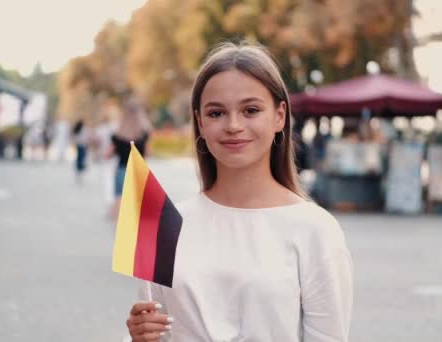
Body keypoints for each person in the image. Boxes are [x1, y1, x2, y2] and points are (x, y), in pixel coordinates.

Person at [125, 42, 353, 342]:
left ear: (279, 116)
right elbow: (159, 332)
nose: (233, 125)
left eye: (250, 110)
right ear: (200, 122)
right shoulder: (164, 225)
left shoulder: (317, 230)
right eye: (217, 113)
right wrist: (140, 338)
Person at [107, 97, 152, 218]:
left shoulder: (117, 135)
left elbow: (107, 155)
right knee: (138, 209)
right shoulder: (143, 135)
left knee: (118, 203)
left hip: (122, 170)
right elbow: (148, 153)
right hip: (138, 173)